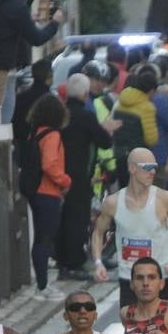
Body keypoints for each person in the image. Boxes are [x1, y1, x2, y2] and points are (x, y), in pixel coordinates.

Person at [91, 148, 168, 306]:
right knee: (132, 328)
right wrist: (98, 263)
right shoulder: (113, 202)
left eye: (155, 168)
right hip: (129, 278)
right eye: (147, 168)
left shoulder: (164, 198)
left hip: (160, 277)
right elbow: (98, 233)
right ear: (132, 168)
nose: (152, 172)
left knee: (163, 328)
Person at [56, 72, 115, 279]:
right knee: (78, 218)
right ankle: (74, 261)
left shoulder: (60, 114)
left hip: (58, 173)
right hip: (80, 174)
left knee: (63, 218)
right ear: (84, 94)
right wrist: (106, 129)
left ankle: (62, 259)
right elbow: (104, 142)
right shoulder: (86, 116)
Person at [0, 0, 63, 116]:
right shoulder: (17, 6)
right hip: (2, 68)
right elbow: (37, 38)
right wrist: (54, 23)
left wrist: (27, 21)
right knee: (0, 117)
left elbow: (4, 23)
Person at [24, 92, 71, 297]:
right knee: (46, 238)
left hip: (34, 190)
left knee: (40, 238)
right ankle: (42, 285)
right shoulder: (53, 135)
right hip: (48, 191)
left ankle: (41, 282)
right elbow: (50, 163)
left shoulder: (35, 133)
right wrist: (65, 180)